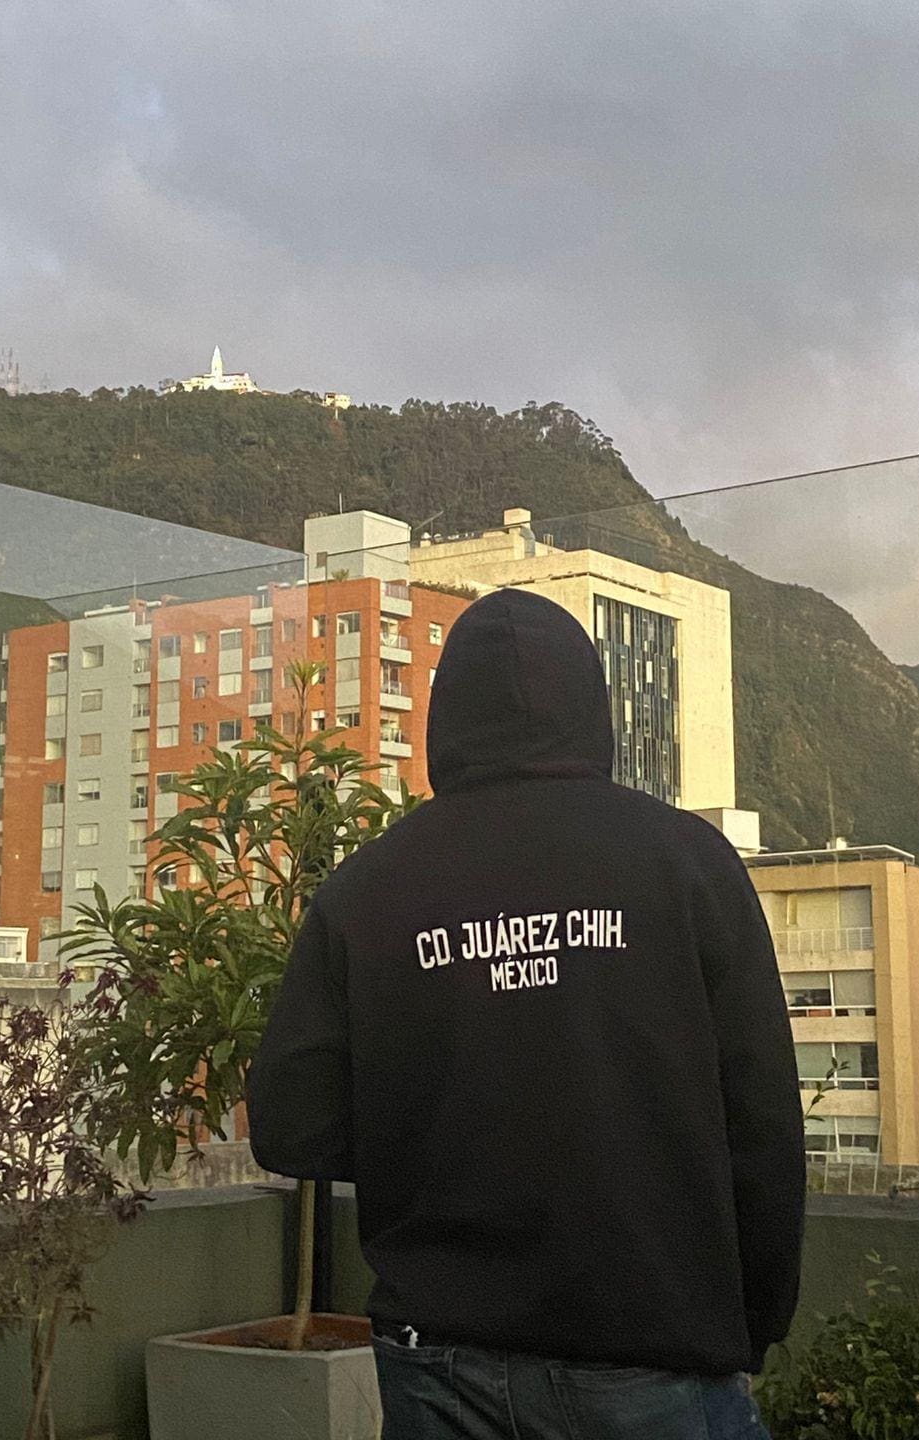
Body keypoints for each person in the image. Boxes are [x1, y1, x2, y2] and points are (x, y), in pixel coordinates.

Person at [248, 587, 805, 1439]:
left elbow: (291, 1128)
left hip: (435, 1359)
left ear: (444, 721)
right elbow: (762, 1121)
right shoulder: (687, 864)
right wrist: (754, 1320)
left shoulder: (368, 890)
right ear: (593, 709)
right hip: (651, 1353)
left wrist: (436, 1133)